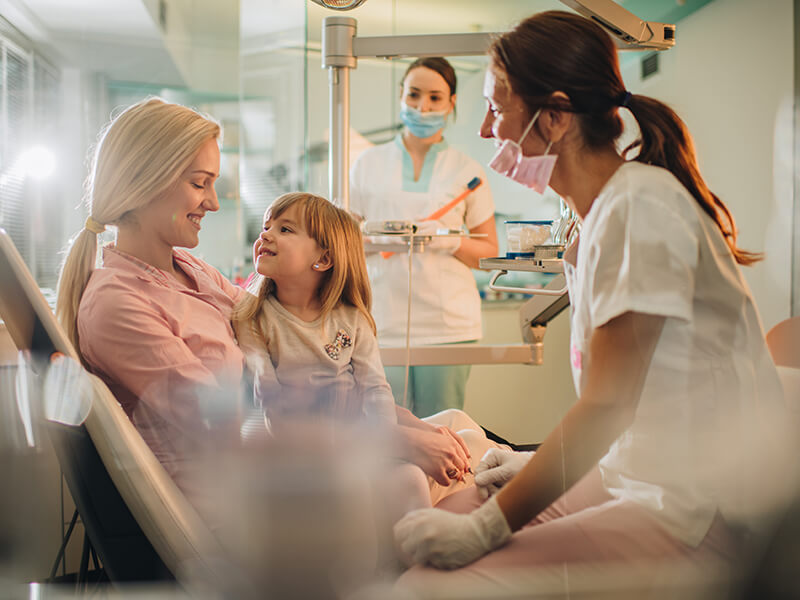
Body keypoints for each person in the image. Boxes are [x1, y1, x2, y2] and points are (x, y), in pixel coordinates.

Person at [393, 10, 787, 593]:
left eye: (497, 108)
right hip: (639, 476)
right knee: (444, 519)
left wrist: (486, 532)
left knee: (431, 581)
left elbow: (606, 407)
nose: (483, 129)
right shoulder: (599, 216)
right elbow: (634, 405)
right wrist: (534, 465)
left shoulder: (640, 208)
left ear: (553, 117)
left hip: (698, 507)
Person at [54, 97, 493, 519]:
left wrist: (406, 429)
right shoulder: (116, 305)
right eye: (198, 182)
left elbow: (307, 354)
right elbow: (233, 423)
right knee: (477, 474)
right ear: (144, 180)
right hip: (257, 499)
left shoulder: (188, 269)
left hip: (300, 458)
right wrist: (389, 441)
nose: (213, 201)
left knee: (458, 430)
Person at [349, 57, 499, 418]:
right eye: (414, 95)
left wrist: (450, 240)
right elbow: (342, 244)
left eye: (435, 97)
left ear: (452, 103)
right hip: (380, 320)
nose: (422, 106)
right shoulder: (366, 164)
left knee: (443, 429)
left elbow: (488, 253)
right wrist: (381, 241)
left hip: (448, 325)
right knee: (385, 429)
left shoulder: (468, 170)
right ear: (400, 95)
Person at [231, 192, 397, 426]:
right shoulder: (252, 316)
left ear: (324, 259)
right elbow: (265, 385)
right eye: (266, 226)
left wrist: (384, 443)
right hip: (300, 449)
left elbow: (376, 390)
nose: (264, 234)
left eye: (284, 229)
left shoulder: (353, 320)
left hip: (360, 443)